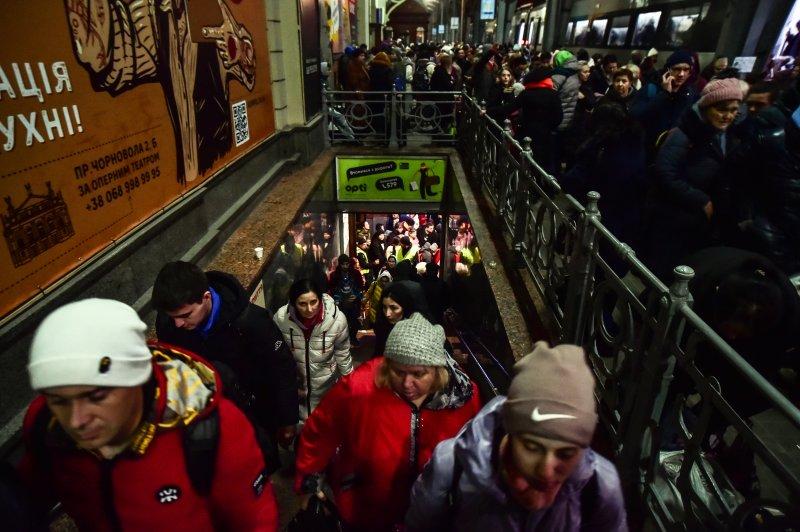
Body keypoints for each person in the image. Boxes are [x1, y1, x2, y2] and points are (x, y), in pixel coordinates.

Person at [19, 299, 279, 530]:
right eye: (59, 401)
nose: (76, 421)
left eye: (97, 397)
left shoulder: (212, 430)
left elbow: (254, 519)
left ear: (138, 377)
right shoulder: (46, 425)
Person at [406, 341, 627, 531]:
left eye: (566, 453)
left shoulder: (600, 487)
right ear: (510, 428)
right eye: (532, 446)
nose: (546, 470)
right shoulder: (452, 464)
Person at [295, 312, 482, 531]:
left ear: (438, 369)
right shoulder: (359, 388)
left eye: (418, 374)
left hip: (431, 515)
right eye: (398, 372)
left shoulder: (462, 398)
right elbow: (321, 429)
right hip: (366, 507)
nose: (407, 383)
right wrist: (309, 482)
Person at [152, 262, 299, 451]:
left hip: (256, 415)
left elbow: (281, 367)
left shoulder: (250, 321)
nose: (178, 323)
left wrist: (287, 420)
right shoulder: (169, 325)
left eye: (185, 315)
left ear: (206, 298)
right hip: (208, 424)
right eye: (172, 316)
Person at [643, 78, 744, 279]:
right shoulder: (684, 134)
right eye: (722, 109)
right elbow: (665, 172)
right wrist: (701, 199)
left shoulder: (723, 135)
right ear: (707, 107)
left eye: (734, 110)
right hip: (674, 217)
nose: (728, 116)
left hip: (696, 221)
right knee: (665, 275)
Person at [561, 102, 647, 273]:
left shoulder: (602, 146)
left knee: (591, 263)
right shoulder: (635, 143)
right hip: (626, 219)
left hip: (602, 217)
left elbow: (575, 179)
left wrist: (562, 181)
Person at [273, 279, 353, 420]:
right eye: (302, 304)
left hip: (325, 387)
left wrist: (351, 383)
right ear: (293, 303)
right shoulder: (281, 320)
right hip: (295, 390)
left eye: (313, 302)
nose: (309, 309)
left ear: (320, 299)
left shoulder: (337, 321)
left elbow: (342, 353)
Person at [491, 65, 563, 173]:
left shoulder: (526, 93)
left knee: (523, 165)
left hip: (526, 134)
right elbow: (559, 117)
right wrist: (547, 126)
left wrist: (488, 111)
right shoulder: (553, 94)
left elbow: (508, 108)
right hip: (544, 137)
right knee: (540, 167)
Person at [631, 49, 700, 154]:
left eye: (686, 69)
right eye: (677, 69)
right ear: (668, 70)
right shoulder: (651, 89)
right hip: (646, 150)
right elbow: (636, 116)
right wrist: (664, 95)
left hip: (672, 151)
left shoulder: (691, 94)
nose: (681, 74)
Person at [372, 280, 432, 357]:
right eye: (384, 307)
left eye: (394, 308)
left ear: (405, 308)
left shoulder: (422, 333)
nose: (387, 314)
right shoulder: (383, 327)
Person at [328, 254, 365, 346]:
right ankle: (344, 339)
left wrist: (356, 295)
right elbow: (331, 288)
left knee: (355, 321)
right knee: (342, 321)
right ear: (339, 264)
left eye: (347, 264)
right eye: (343, 264)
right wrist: (338, 297)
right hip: (340, 302)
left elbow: (360, 286)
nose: (345, 266)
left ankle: (352, 337)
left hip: (354, 301)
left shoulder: (355, 273)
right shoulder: (334, 274)